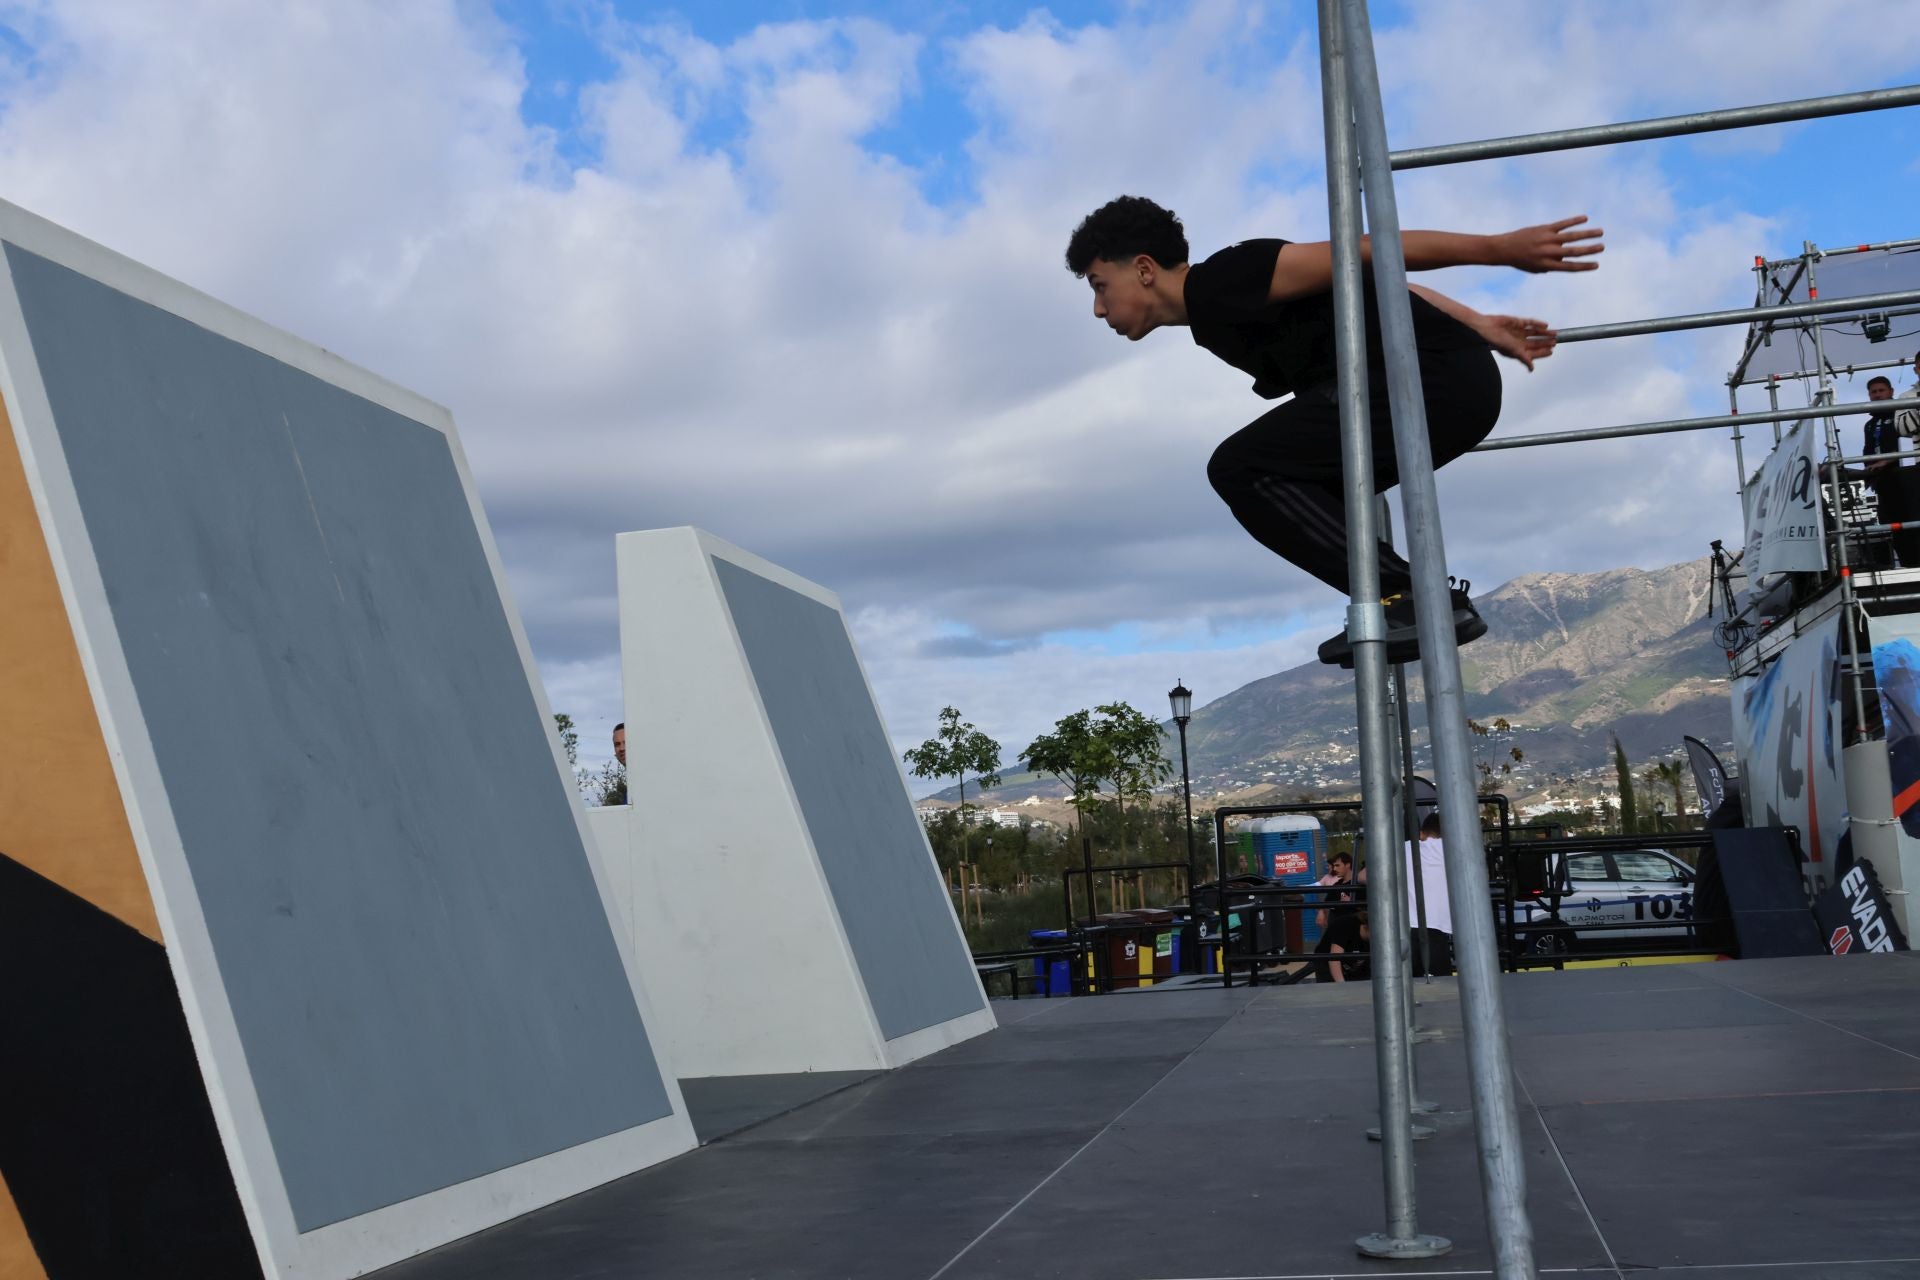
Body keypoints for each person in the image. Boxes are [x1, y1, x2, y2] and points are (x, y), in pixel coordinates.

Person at [1064, 197, 1602, 665]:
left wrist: (1498, 249)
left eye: (1099, 286)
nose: (1096, 308)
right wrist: (1479, 323)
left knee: (1241, 468)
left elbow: (1363, 250)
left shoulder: (1225, 278)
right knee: (1297, 491)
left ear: (1142, 268)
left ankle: (1410, 595)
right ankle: (1409, 599)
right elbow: (1368, 282)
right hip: (1444, 384)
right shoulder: (1213, 315)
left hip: (1428, 379)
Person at [1405, 811, 1454, 977]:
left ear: (1421, 833)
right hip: (1438, 928)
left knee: (1409, 986)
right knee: (1442, 987)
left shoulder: (1405, 848)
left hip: (1407, 927)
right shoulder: (1452, 850)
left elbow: (1363, 876)